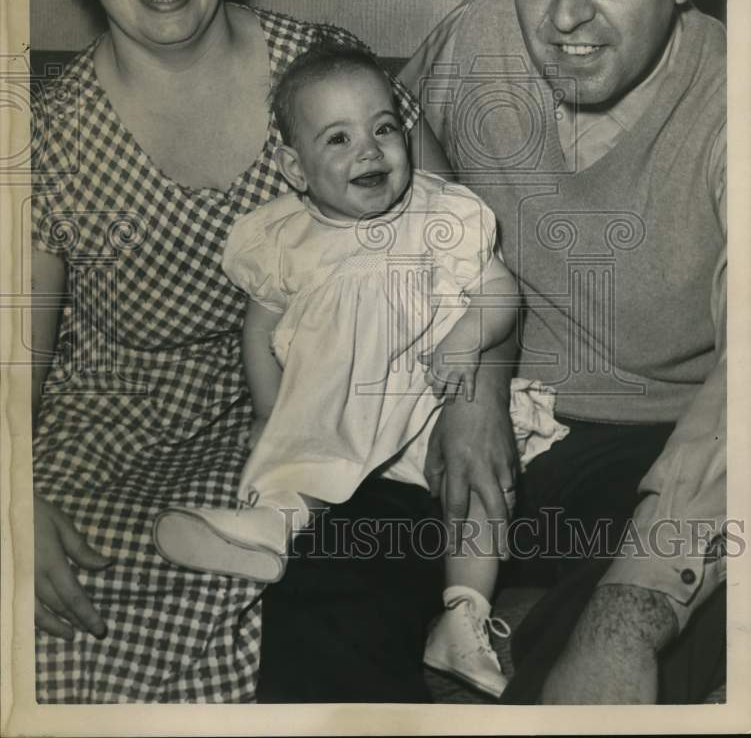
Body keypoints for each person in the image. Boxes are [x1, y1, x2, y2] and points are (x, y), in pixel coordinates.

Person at [28, 0, 462, 703]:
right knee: (51, 646)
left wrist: (480, 398)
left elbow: (458, 248)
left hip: (305, 426)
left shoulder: (327, 75)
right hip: (105, 442)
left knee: (302, 647)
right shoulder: (47, 135)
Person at [400, 0, 727, 704]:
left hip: (653, 449)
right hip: (481, 422)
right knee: (305, 590)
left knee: (665, 635)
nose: (564, 14)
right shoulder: (473, 44)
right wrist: (469, 387)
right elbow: (382, 192)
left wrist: (625, 622)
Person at [152, 43, 538, 697]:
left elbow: (501, 292)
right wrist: (268, 412)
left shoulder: (440, 216)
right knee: (305, 431)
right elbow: (261, 328)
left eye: (383, 128)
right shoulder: (281, 239)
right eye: (337, 138)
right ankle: (275, 519)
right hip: (334, 409)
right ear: (293, 167)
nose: (369, 150)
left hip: (432, 413)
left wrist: (466, 340)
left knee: (476, 489)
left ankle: (463, 615)